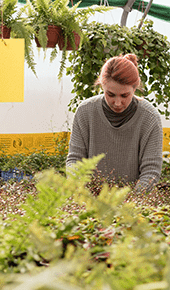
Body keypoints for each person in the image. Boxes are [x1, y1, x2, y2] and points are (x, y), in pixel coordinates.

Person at [66, 53, 163, 193]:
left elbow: (151, 170)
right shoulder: (85, 112)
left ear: (134, 88)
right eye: (110, 94)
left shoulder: (149, 118)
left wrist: (133, 200)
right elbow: (75, 159)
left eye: (125, 95)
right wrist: (82, 193)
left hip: (133, 204)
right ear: (102, 86)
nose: (117, 103)